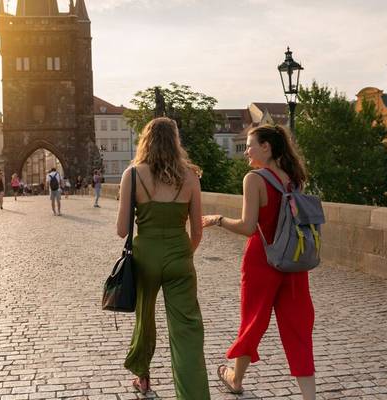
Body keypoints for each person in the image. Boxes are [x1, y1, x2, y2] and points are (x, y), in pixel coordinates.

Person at [202, 125, 315, 399]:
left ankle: (236, 379)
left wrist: (217, 219)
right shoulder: (294, 178)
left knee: (253, 322)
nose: (247, 152)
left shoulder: (254, 179)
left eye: (251, 145)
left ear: (267, 147)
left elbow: (248, 226)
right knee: (298, 328)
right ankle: (310, 397)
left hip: (262, 261)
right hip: (293, 260)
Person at [116, 117, 209, 399]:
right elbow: (197, 229)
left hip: (145, 257)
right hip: (179, 254)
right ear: (175, 141)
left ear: (146, 140)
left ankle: (142, 377)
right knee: (187, 329)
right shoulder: (191, 176)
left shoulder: (132, 175)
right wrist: (183, 253)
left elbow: (122, 230)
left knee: (145, 318)